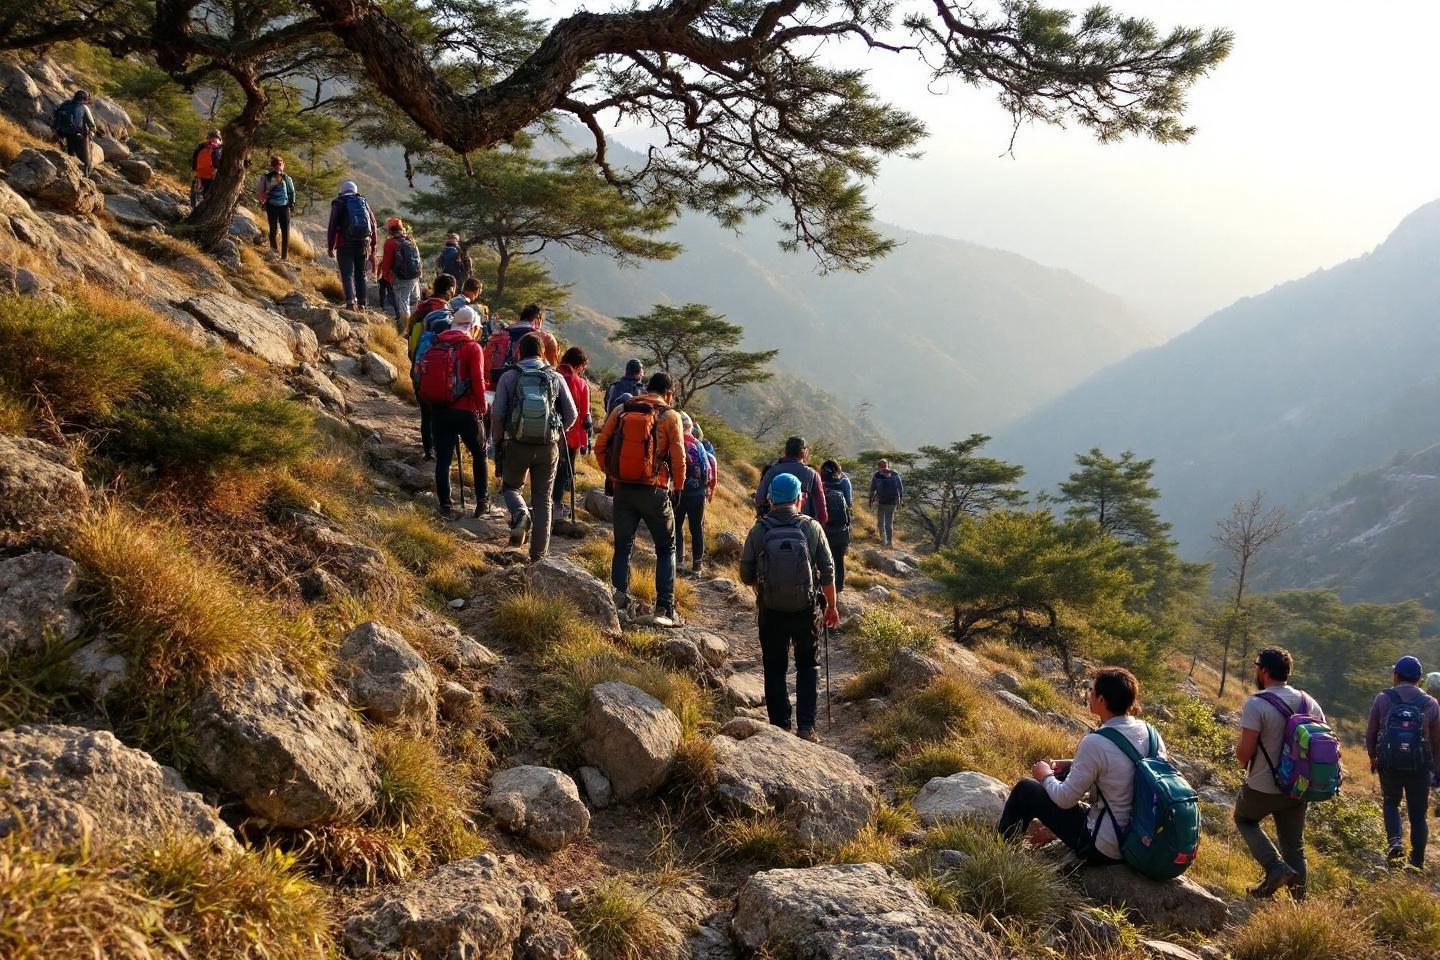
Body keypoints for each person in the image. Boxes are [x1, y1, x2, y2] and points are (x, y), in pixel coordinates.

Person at [996, 667, 1162, 864]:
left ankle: (1000, 854)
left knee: (1026, 788)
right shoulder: (1151, 734)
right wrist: (1071, 764)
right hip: (1140, 838)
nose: (1088, 694)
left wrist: (1045, 775)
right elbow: (1124, 769)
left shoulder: (1096, 742)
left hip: (1105, 847)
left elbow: (1065, 799)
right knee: (1061, 775)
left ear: (1102, 700)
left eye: (1091, 690)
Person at [739, 472, 840, 741]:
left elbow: (745, 574)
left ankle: (780, 726)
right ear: (799, 499)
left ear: (771, 499)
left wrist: (764, 586)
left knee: (774, 666)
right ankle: (806, 727)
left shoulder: (759, 530)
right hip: (806, 610)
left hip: (771, 609)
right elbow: (828, 572)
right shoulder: (812, 527)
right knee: (808, 665)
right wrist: (831, 607)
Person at [595, 371, 687, 624]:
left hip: (623, 489)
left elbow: (600, 446)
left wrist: (612, 474)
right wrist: (678, 488)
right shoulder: (670, 416)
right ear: (668, 393)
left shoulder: (622, 410)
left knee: (623, 547)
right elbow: (679, 457)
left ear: (647, 388)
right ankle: (664, 608)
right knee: (666, 547)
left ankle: (618, 602)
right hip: (654, 490)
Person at [1234, 646, 1325, 900]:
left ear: (1264, 671)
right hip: (1298, 788)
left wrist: (1238, 753)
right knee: (1294, 846)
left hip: (1262, 786)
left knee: (1244, 819)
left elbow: (1245, 753)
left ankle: (1274, 866)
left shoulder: (1257, 704)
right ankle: (1299, 904)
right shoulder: (1310, 703)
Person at [491, 333, 577, 559]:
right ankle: (538, 557)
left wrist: (498, 441)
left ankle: (521, 514)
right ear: (543, 352)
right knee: (543, 499)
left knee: (511, 487)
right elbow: (572, 414)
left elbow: (497, 413)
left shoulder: (509, 376)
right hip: (548, 447)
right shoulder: (555, 377)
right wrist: (556, 432)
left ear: (519, 352)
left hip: (515, 444)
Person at [1365, 656, 1440, 869]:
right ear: (1419, 679)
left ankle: (1395, 843)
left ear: (1396, 675)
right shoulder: (1431, 703)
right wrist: (1436, 769)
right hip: (1419, 766)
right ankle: (1416, 863)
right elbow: (1437, 742)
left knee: (1391, 803)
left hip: (1389, 763)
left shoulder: (1383, 698)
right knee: (1418, 815)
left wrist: (1373, 757)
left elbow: (1371, 731)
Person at [418, 306, 488, 519]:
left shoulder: (436, 342)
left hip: (440, 409)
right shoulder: (473, 347)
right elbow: (477, 380)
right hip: (466, 410)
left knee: (443, 459)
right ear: (473, 327)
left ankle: (445, 505)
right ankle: (482, 501)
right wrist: (482, 406)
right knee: (479, 453)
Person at [552, 346, 592, 527]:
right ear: (579, 365)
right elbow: (584, 417)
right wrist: (584, 443)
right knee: (562, 473)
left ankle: (541, 504)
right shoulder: (581, 384)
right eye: (583, 366)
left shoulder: (551, 375)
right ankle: (557, 507)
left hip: (546, 432)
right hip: (570, 436)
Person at [674, 412, 717, 576]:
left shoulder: (676, 441)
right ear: (690, 427)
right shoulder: (699, 445)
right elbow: (708, 471)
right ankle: (697, 566)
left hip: (679, 492)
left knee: (677, 526)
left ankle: (679, 561)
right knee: (696, 529)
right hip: (698, 494)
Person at [326, 180, 377, 310]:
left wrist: (330, 246)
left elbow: (332, 226)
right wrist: (373, 245)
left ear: (342, 191)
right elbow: (373, 224)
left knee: (347, 273)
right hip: (363, 244)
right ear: (355, 191)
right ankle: (362, 304)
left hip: (345, 243)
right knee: (361, 274)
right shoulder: (363, 201)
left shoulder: (339, 202)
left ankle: (350, 303)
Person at [755, 437, 828, 525]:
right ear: (804, 452)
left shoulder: (772, 470)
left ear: (786, 450)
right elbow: (822, 514)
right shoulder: (812, 475)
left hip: (772, 524)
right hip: (801, 527)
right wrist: (813, 528)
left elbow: (759, 498)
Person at [379, 217, 423, 329]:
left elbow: (386, 263)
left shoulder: (390, 243)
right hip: (414, 276)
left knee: (402, 302)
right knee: (412, 301)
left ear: (390, 230)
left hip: (401, 278)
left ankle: (404, 329)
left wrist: (385, 277)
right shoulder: (410, 240)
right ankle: (414, 326)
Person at [819, 459, 853, 592]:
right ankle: (839, 587)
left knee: (824, 558)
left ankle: (825, 586)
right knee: (839, 559)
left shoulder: (820, 482)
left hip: (824, 526)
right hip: (841, 527)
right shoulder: (844, 481)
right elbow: (849, 502)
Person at [253, 155, 295, 260]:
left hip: (282, 207)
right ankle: (276, 253)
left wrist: (291, 204)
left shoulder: (286, 178)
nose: (278, 167)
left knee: (283, 231)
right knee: (275, 230)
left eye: (280, 164)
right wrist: (264, 199)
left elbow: (291, 192)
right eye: (276, 165)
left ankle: (282, 256)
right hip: (274, 207)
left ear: (283, 165)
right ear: (272, 166)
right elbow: (260, 192)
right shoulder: (267, 177)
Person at [53, 89, 97, 173]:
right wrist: (92, 133)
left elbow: (56, 113)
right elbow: (92, 125)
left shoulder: (65, 104)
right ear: (84, 99)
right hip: (78, 135)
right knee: (86, 162)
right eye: (87, 99)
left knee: (70, 153)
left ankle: (68, 169)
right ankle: (85, 175)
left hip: (62, 133)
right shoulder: (84, 108)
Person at [869, 458, 904, 548]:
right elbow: (900, 489)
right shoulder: (895, 474)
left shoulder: (876, 475)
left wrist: (870, 500)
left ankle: (883, 541)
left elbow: (872, 489)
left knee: (881, 523)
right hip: (891, 502)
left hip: (882, 502)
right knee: (888, 523)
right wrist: (900, 501)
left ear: (878, 466)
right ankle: (889, 542)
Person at [189, 128, 222, 201]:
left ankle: (197, 196)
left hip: (200, 171)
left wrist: (194, 169)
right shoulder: (219, 147)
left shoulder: (202, 145)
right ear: (218, 137)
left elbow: (195, 157)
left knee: (199, 185)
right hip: (212, 174)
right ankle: (204, 199)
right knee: (208, 190)